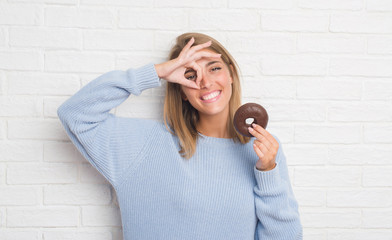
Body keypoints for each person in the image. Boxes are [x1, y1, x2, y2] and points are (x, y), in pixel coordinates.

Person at [57, 32, 302, 240]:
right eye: (190, 75)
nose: (204, 81)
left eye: (214, 69)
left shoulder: (263, 151)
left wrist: (268, 172)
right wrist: (156, 73)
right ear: (182, 92)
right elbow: (76, 114)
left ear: (230, 76)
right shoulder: (145, 145)